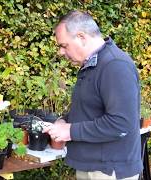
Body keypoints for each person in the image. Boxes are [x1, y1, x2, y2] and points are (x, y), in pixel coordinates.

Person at [43, 10, 143, 180]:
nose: (60, 52)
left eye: (64, 45)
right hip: (92, 166)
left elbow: (121, 123)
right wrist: (65, 120)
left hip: (109, 170)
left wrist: (70, 131)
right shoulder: (92, 64)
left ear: (81, 37)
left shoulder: (115, 65)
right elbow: (91, 108)